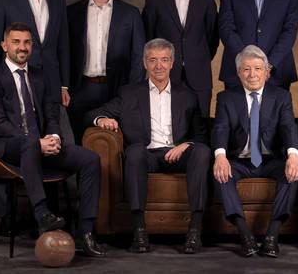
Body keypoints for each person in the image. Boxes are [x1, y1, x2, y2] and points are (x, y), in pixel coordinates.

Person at [0, 22, 105, 257]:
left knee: (90, 159)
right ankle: (42, 214)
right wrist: (36, 143)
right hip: (8, 147)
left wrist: (54, 137)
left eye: (27, 42)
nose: (22, 47)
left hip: (41, 144)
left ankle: (86, 232)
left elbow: (51, 113)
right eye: (16, 42)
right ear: (4, 45)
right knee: (29, 143)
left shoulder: (38, 76)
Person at [85, 38, 210, 254]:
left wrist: (186, 145)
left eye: (164, 60)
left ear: (172, 63)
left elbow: (201, 134)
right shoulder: (129, 93)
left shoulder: (187, 95)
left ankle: (194, 231)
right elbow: (91, 114)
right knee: (134, 152)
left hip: (177, 154)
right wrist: (102, 119)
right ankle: (139, 231)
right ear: (145, 63)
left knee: (202, 152)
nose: (158, 66)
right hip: (146, 155)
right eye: (153, 60)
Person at [0, 0, 71, 232]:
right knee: (14, 140)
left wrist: (63, 83)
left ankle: (49, 212)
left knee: (50, 139)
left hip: (48, 82)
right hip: (12, 80)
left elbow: (62, 44)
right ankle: (8, 215)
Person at [212, 45, 298, 258]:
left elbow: (288, 126)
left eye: (258, 69)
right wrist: (220, 156)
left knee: (292, 173)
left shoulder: (281, 97)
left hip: (271, 159)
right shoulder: (226, 97)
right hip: (239, 160)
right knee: (221, 173)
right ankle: (244, 234)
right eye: (246, 69)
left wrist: (293, 155)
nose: (252, 74)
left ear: (267, 72)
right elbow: (221, 128)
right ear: (238, 73)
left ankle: (272, 236)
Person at [67, 0, 144, 144]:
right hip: (81, 89)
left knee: (115, 142)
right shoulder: (71, 13)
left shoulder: (130, 14)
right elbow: (64, 52)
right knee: (79, 141)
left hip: (117, 89)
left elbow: (138, 57)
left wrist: (132, 92)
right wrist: (65, 86)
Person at [142, 0, 218, 118]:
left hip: (199, 76)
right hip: (164, 75)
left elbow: (212, 37)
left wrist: (196, 57)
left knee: (200, 125)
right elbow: (148, 37)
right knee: (166, 123)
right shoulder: (154, 0)